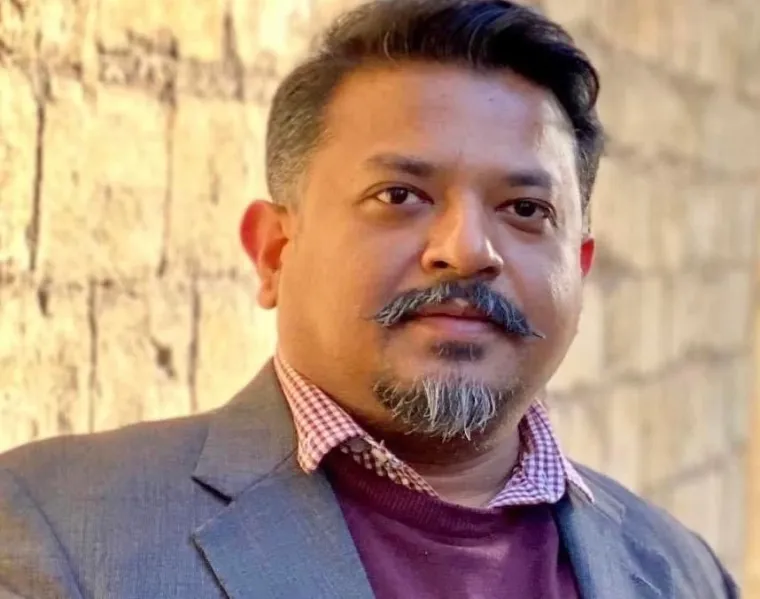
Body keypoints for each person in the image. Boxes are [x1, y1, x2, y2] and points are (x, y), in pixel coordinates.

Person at [0, 1, 740, 597]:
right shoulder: (54, 531)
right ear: (274, 251)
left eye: (524, 209)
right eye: (400, 195)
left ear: (578, 270)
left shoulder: (682, 572)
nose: (467, 249)